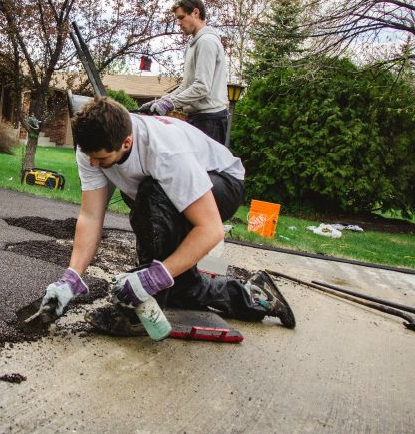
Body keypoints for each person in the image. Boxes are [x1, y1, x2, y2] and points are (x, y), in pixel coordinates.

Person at [39, 97, 295, 334]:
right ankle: (255, 295)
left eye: (102, 158)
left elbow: (211, 229)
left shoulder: (164, 152)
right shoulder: (93, 148)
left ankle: (141, 308)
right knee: (179, 285)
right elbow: (91, 216)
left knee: (150, 194)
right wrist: (71, 278)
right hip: (166, 191)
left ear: (126, 142)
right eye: (89, 156)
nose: (93, 163)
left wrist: (151, 278)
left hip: (222, 185)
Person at [140, 0, 230, 145]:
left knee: (205, 169)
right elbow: (186, 86)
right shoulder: (193, 44)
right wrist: (162, 101)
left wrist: (170, 103)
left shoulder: (207, 42)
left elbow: (202, 87)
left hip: (211, 121)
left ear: (196, 12)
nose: (179, 23)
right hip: (198, 119)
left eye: (181, 18)